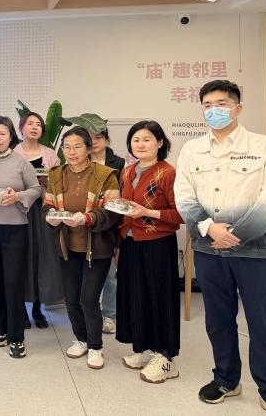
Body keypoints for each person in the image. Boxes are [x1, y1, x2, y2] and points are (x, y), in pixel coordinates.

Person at [175, 79, 266, 413]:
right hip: (210, 251)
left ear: (238, 107)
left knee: (262, 323)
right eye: (207, 105)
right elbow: (184, 195)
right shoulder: (192, 149)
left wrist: (234, 234)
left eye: (221, 104)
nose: (214, 110)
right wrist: (209, 228)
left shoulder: (264, 146)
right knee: (218, 320)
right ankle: (226, 379)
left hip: (256, 251)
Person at [43, 127, 121, 369]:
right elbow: (48, 206)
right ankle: (81, 339)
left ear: (89, 148)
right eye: (67, 147)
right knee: (72, 299)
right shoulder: (56, 175)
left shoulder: (105, 175)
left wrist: (88, 218)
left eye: (77, 146)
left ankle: (96, 346)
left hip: (97, 247)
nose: (71, 152)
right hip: (67, 246)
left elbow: (113, 210)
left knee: (88, 299)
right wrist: (50, 217)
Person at [115, 120, 183, 383]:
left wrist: (147, 212)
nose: (140, 144)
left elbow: (180, 214)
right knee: (136, 296)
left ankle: (166, 358)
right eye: (135, 140)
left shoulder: (168, 173)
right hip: (130, 242)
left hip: (158, 243)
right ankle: (145, 347)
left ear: (160, 143)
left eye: (146, 139)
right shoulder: (127, 171)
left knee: (160, 298)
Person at [0, 117, 41, 359]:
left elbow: (36, 189)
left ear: (11, 136)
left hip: (15, 229)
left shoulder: (21, 162)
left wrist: (18, 196)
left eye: (2, 134)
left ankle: (16, 337)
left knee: (13, 281)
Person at [14, 112, 62, 329]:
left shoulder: (50, 154)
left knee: (42, 257)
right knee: (20, 257)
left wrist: (46, 181)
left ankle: (37, 307)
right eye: (30, 123)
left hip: (43, 210)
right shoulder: (13, 153)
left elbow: (60, 184)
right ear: (21, 128)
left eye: (38, 124)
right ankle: (21, 309)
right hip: (18, 211)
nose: (34, 127)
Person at [87, 124, 125, 335]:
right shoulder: (79, 161)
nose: (94, 142)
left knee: (110, 273)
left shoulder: (119, 164)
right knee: (86, 274)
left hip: (109, 223)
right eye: (90, 138)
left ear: (107, 140)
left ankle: (110, 315)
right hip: (83, 223)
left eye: (98, 137)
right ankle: (89, 313)